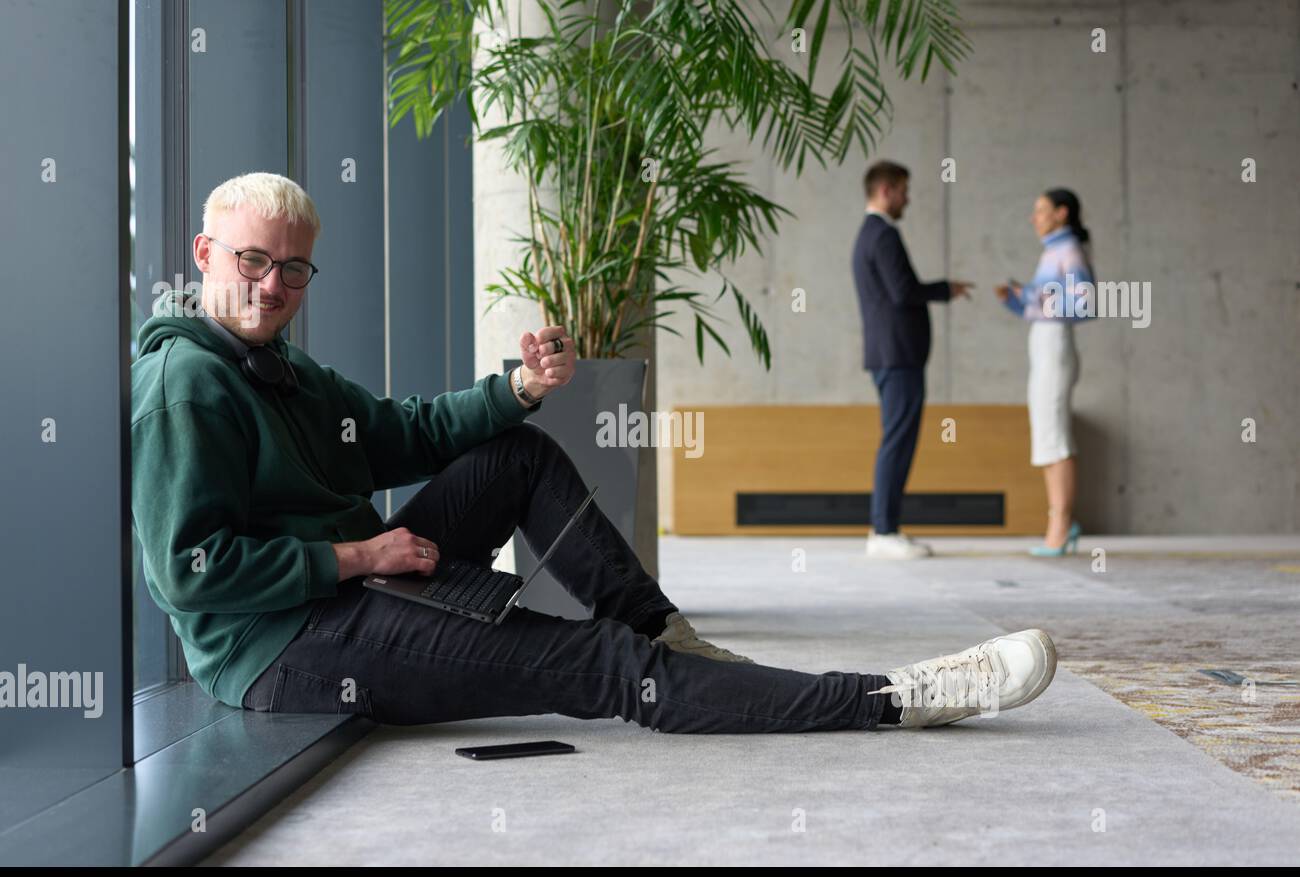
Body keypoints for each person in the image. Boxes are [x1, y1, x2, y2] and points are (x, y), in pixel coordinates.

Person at [131, 171, 1057, 734]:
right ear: (207, 253)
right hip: (282, 647)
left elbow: (401, 434)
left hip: (350, 587)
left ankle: (670, 639)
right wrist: (357, 555)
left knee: (518, 454)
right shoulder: (190, 383)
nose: (273, 285)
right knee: (605, 669)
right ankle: (891, 698)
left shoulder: (276, 366)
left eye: (293, 268)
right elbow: (190, 571)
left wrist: (518, 390)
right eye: (253, 261)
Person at [853, 161, 973, 560]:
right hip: (897, 355)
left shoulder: (869, 234)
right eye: (904, 190)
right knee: (897, 441)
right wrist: (945, 288)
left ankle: (885, 528)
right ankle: (884, 531)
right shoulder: (883, 234)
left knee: (897, 438)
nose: (908, 198)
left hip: (891, 355)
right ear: (886, 190)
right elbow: (903, 292)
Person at [995, 188, 1095, 556]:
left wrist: (1035, 298)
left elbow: (1085, 304)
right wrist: (1018, 301)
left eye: (1040, 210)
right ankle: (1059, 520)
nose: (1033, 217)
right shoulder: (1051, 252)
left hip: (1055, 345)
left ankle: (1062, 522)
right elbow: (1042, 306)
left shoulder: (1068, 252)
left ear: (1061, 213)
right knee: (1046, 434)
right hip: (1043, 342)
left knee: (1056, 435)